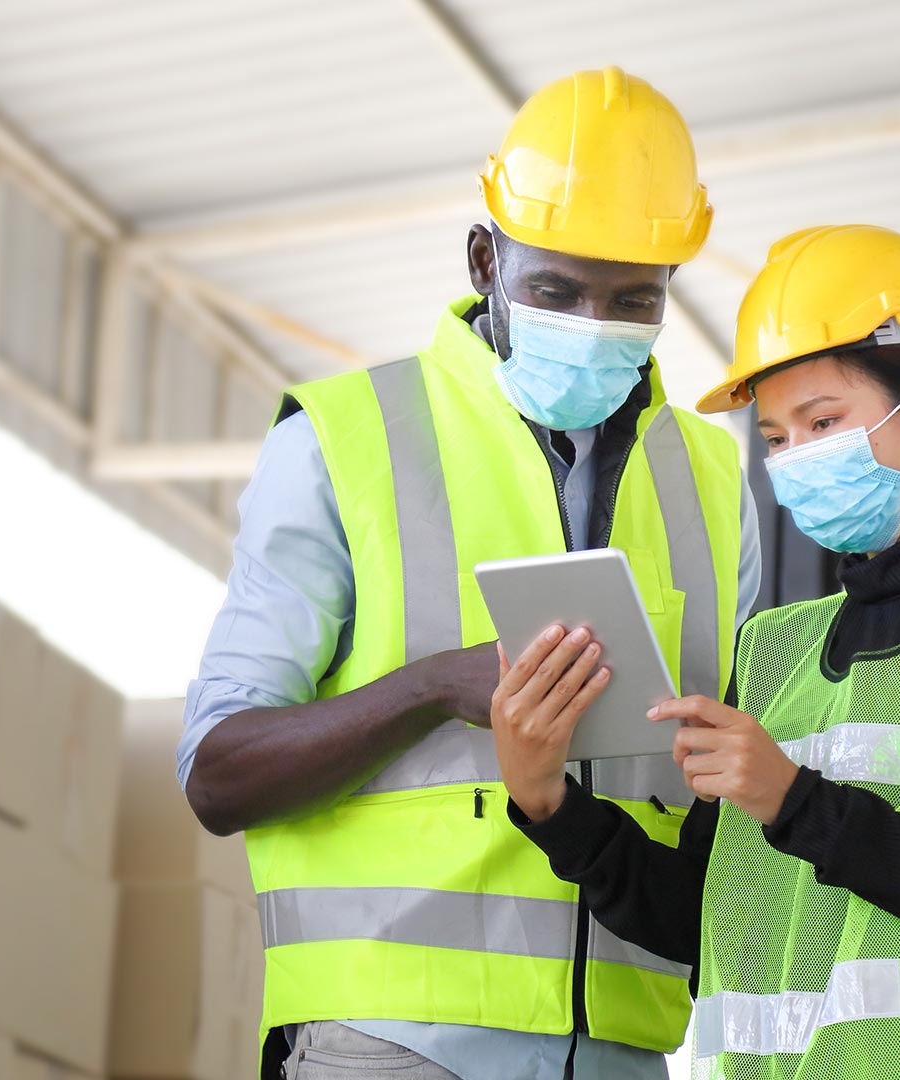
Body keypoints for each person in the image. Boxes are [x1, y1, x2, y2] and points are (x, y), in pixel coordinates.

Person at [177, 68, 762, 1079]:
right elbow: (219, 773)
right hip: (392, 1040)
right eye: (555, 290)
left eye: (634, 301)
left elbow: (729, 791)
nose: (593, 324)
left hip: (623, 1049)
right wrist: (438, 686)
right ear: (486, 259)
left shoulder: (713, 479)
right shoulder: (344, 441)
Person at [491, 224, 900, 1079]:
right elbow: (700, 919)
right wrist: (549, 804)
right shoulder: (773, 650)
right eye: (779, 438)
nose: (795, 461)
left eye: (824, 421)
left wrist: (797, 803)